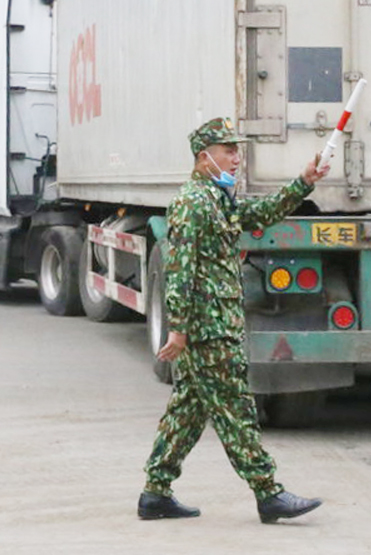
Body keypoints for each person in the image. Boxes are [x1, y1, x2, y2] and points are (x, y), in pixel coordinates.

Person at [139, 116, 330, 524]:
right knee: (236, 410)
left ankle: (155, 491)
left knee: (188, 410)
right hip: (208, 330)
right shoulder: (193, 202)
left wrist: (303, 181)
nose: (236, 158)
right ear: (203, 156)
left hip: (217, 325)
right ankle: (268, 492)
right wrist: (179, 329)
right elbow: (180, 270)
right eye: (229, 150)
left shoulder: (218, 199)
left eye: (236, 150)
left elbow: (260, 214)